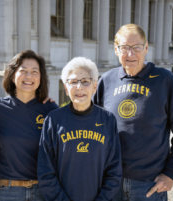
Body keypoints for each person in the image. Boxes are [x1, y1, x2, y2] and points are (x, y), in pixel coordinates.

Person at [93, 24, 173, 201]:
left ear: (146, 47)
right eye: (124, 48)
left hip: (148, 186)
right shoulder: (107, 80)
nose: (130, 54)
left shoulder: (164, 80)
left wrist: (170, 175)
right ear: (116, 50)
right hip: (110, 183)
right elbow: (91, 123)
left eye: (136, 47)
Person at [38, 57, 122, 201]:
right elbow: (45, 171)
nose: (79, 87)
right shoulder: (53, 120)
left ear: (95, 86)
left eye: (85, 81)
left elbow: (114, 171)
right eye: (73, 82)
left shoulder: (108, 120)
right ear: (65, 88)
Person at [0, 50, 59, 201]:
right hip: (6, 191)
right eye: (23, 71)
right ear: (12, 75)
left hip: (42, 190)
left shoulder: (51, 110)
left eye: (35, 71)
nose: (29, 76)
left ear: (41, 77)